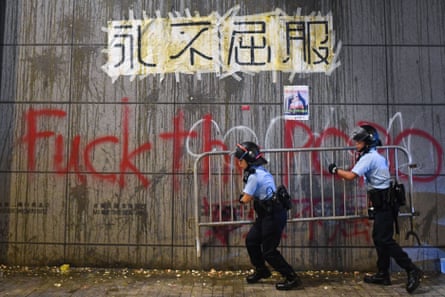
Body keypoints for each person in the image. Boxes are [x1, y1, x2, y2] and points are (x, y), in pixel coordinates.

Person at [328, 125, 423, 293]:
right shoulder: (373, 156)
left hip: (385, 204)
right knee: (380, 238)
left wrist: (335, 170)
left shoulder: (369, 158)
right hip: (384, 203)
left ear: (368, 142)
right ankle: (383, 274)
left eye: (359, 141)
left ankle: (412, 269)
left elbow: (350, 176)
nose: (356, 144)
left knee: (385, 239)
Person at [234, 141, 301, 290]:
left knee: (269, 251)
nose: (238, 163)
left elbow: (245, 199)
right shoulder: (258, 171)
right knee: (251, 240)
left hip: (273, 215)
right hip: (267, 214)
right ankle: (262, 270)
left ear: (249, 160)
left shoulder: (254, 176)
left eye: (241, 160)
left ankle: (292, 277)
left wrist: (241, 198)